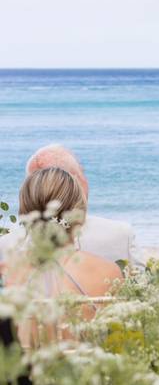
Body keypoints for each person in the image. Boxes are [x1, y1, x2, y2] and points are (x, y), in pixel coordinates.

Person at [3, 167, 123, 346]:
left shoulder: (6, 274)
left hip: (22, 372)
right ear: (80, 218)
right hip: (88, 372)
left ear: (24, 217)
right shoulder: (108, 273)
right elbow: (119, 345)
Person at [0, 145, 143, 271]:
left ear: (28, 194)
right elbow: (141, 292)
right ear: (76, 185)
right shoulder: (121, 235)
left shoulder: (6, 246)